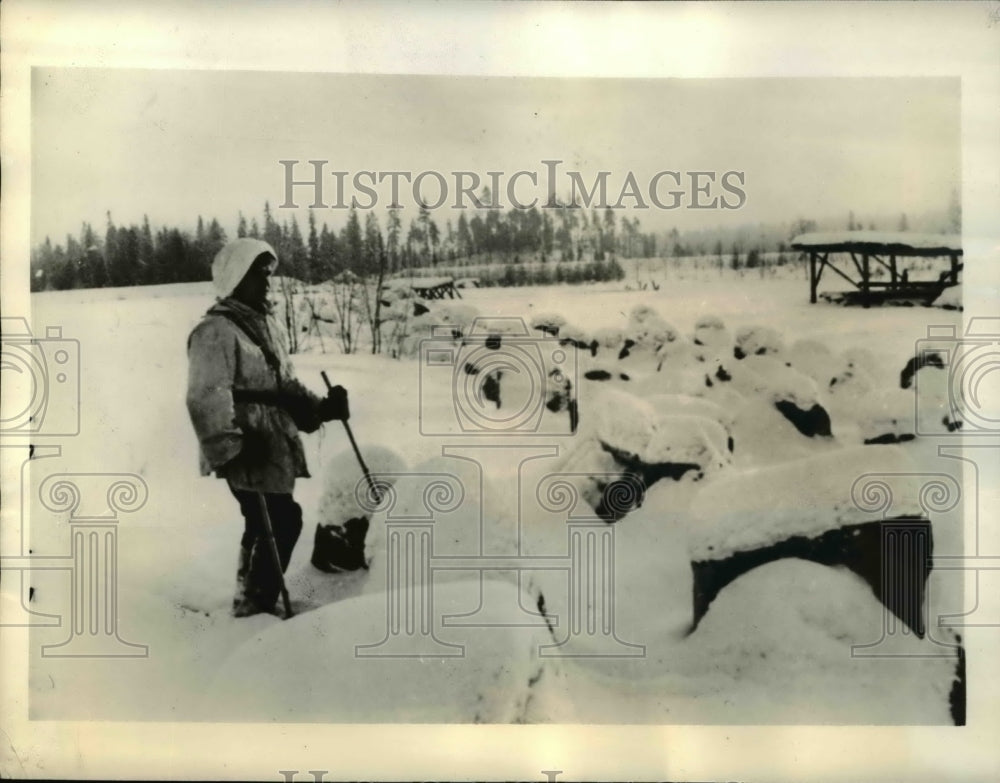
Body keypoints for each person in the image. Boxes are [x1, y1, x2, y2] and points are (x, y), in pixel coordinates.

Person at [186, 238, 348, 617]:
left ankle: (253, 598)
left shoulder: (262, 323)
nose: (267, 282)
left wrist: (322, 409)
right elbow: (204, 396)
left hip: (271, 439)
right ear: (235, 278)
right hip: (248, 441)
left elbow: (284, 386)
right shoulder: (216, 330)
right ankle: (254, 603)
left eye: (268, 273)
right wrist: (232, 447)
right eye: (257, 274)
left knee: (268, 521)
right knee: (280, 520)